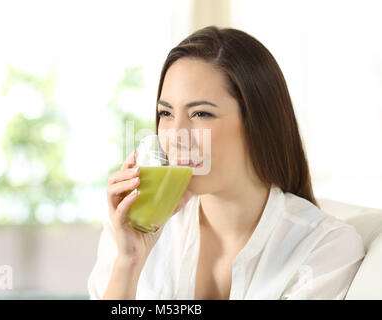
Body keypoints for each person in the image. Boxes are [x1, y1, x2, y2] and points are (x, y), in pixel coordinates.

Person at [88, 26, 365, 299]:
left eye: (201, 114)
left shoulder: (324, 247)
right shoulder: (136, 225)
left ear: (258, 123)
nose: (175, 137)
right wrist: (129, 263)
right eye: (166, 113)